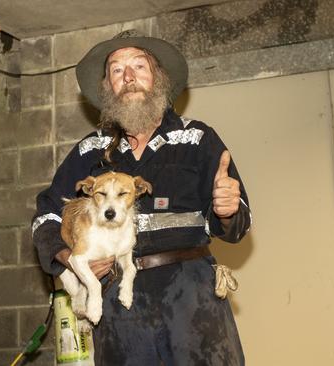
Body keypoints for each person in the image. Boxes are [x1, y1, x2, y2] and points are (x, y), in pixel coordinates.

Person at [32, 29, 252, 365]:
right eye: (117, 71)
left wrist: (227, 210)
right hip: (120, 305)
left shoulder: (197, 138)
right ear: (108, 87)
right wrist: (68, 256)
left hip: (191, 299)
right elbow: (46, 215)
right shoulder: (89, 151)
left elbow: (238, 226)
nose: (129, 77)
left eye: (139, 66)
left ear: (158, 78)